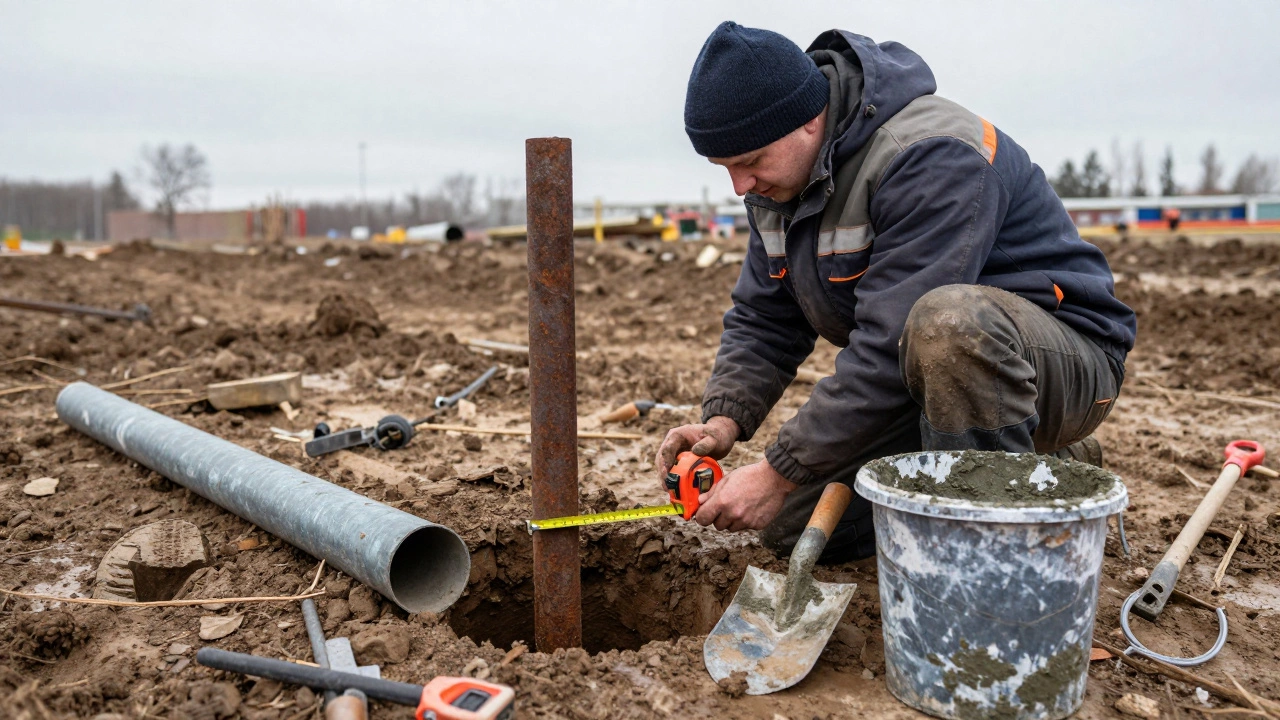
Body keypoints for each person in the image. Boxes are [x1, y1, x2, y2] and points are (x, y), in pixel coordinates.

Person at [656, 22, 1137, 564]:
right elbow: (766, 319)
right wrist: (725, 419)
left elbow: (888, 345)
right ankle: (1053, 469)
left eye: (750, 162)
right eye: (725, 168)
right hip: (930, 381)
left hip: (1059, 369)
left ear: (809, 121)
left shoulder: (930, 155)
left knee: (949, 322)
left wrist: (778, 470)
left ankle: (993, 545)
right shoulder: (780, 186)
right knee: (793, 530)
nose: (739, 187)